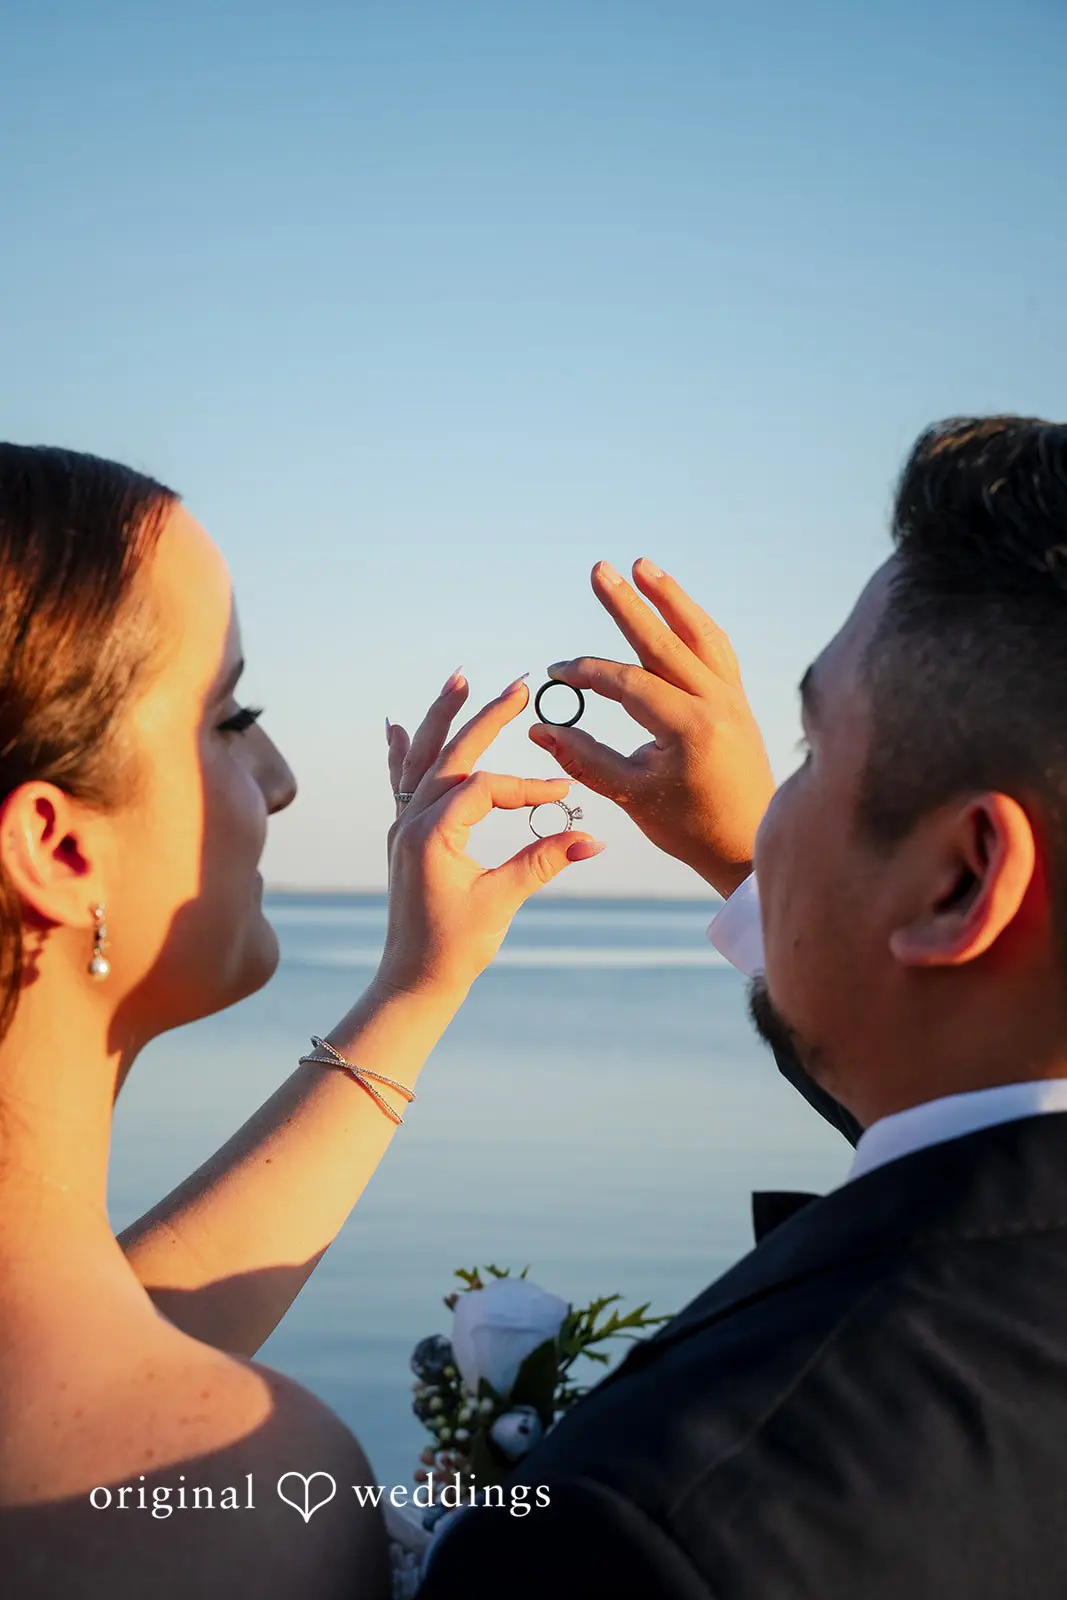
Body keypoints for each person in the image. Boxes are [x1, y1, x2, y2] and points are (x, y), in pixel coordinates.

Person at [416, 415, 1067, 1599]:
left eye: (813, 748)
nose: (768, 805)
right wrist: (751, 872)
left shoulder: (629, 1531)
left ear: (962, 877)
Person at [0, 444, 606, 1599]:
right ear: (58, 847)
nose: (278, 779)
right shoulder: (228, 1496)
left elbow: (112, 1332)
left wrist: (416, 987)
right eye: (233, 716)